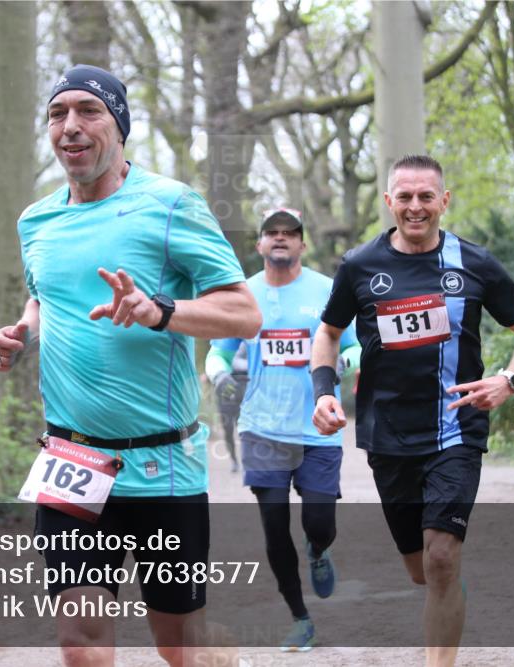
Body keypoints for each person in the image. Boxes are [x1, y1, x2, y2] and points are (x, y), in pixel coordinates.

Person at [0, 64, 261, 667]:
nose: (71, 126)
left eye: (89, 111)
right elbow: (45, 295)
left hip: (163, 465)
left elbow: (244, 314)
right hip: (71, 460)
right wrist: (21, 331)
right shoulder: (36, 220)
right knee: (81, 643)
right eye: (58, 114)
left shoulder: (171, 205)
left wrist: (160, 311)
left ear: (119, 126)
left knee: (180, 646)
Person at [310, 155, 514, 667]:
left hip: (456, 429)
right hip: (388, 436)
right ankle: (447, 587)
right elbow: (328, 333)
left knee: (440, 558)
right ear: (388, 201)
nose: (415, 207)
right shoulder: (359, 265)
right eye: (405, 196)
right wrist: (323, 391)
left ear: (444, 200)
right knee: (422, 570)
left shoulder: (474, 262)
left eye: (426, 196)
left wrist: (508, 380)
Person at [206, 208, 360, 652]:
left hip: (319, 425)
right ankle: (300, 618)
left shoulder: (326, 290)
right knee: (274, 529)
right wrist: (219, 375)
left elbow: (356, 346)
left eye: (289, 233)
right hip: (262, 429)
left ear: (302, 244)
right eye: (271, 232)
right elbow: (218, 352)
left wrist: (341, 363)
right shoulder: (243, 294)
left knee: (319, 522)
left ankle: (319, 550)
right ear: (259, 244)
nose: (280, 238)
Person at [211, 341, 248, 473]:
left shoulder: (247, 346)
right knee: (228, 431)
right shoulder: (220, 347)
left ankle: (245, 460)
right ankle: (234, 460)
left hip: (241, 392)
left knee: (243, 430)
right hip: (225, 395)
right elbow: (213, 364)